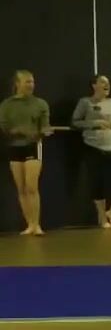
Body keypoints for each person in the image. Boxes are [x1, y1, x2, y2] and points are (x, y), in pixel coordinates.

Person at [73, 75, 111, 228]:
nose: (107, 85)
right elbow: (75, 122)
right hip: (93, 147)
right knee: (97, 182)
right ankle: (101, 217)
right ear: (94, 85)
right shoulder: (85, 102)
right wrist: (95, 123)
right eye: (103, 82)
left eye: (108, 83)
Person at [0, 70, 51, 235]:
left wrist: (43, 132)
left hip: (33, 146)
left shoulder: (40, 104)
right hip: (14, 147)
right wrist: (18, 131)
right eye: (27, 82)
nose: (31, 85)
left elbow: (45, 126)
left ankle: (37, 225)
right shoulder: (7, 104)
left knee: (31, 187)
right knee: (21, 188)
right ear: (17, 84)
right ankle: (30, 224)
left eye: (32, 82)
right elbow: (4, 127)